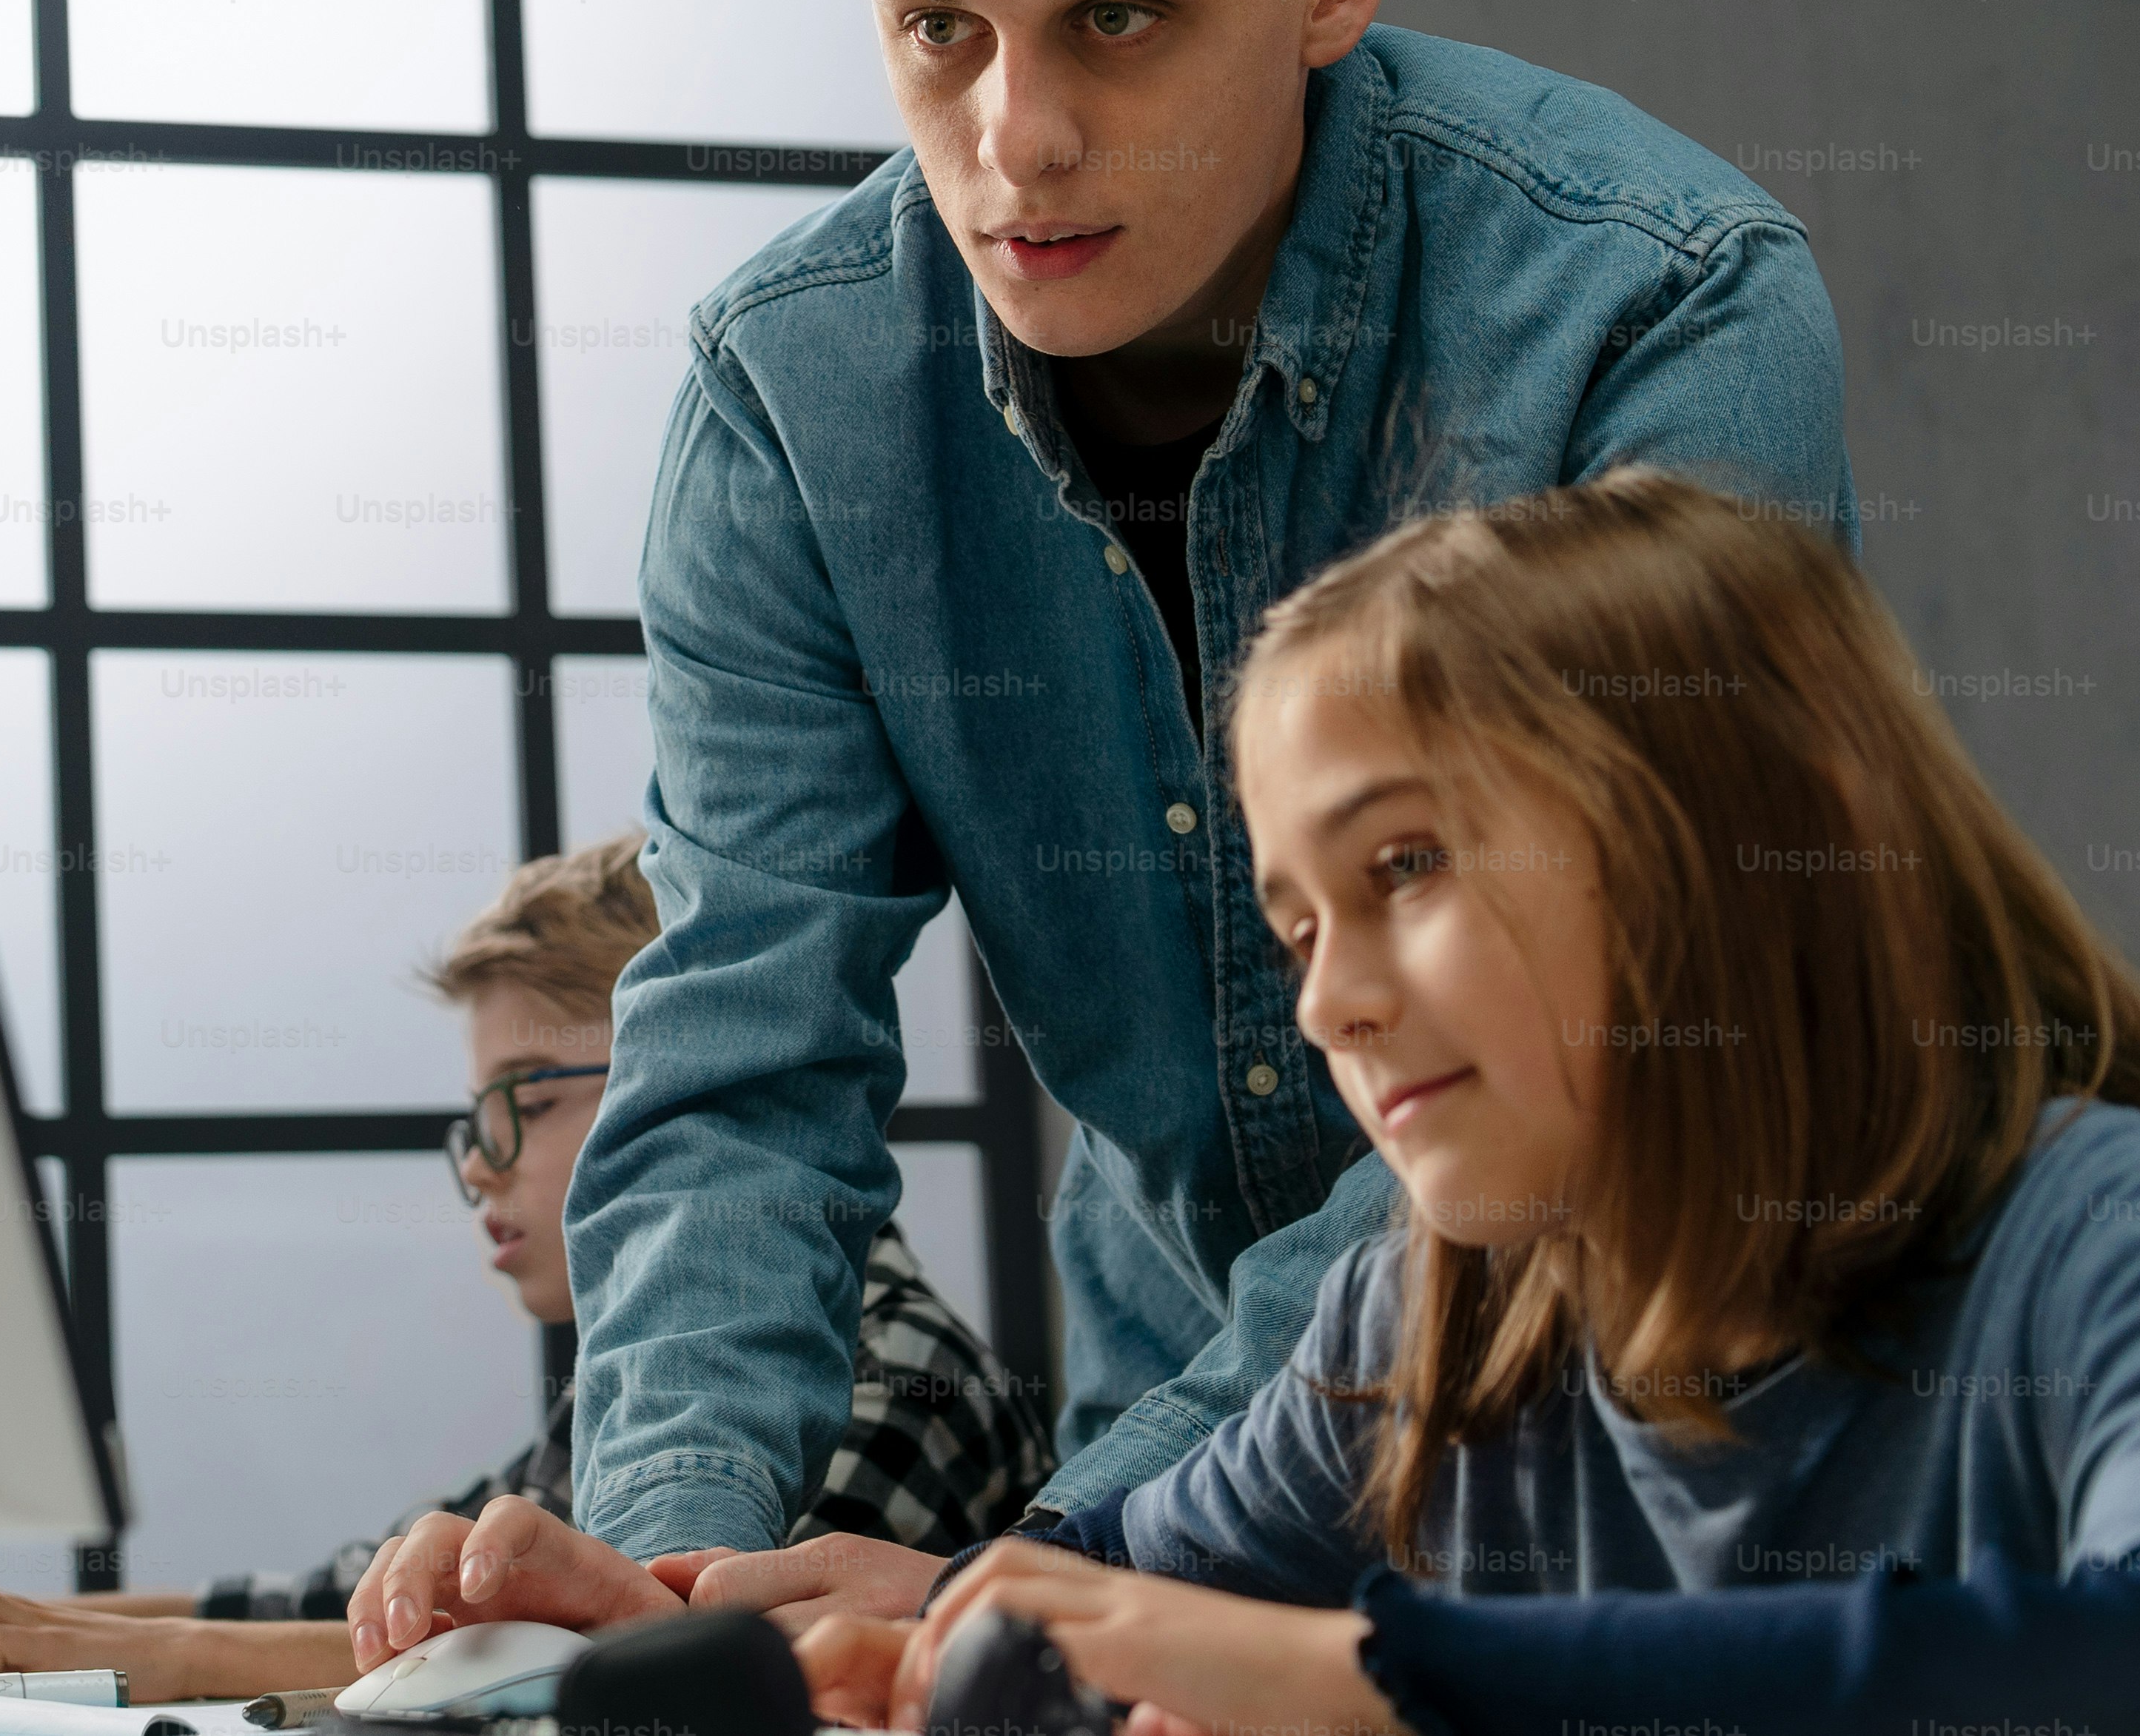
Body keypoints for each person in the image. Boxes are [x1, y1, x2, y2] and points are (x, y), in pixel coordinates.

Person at [509, 0, 1856, 1634]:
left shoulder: (1657, 311)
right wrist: (672, 1573)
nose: (1012, 136)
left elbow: (1619, 1047)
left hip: (1673, 1485)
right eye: (932, 29)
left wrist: (1071, 1551)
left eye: (1114, 18)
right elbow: (743, 1055)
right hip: (1152, 1487)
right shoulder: (792, 401)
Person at [385, 474, 2140, 1734]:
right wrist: (898, 1652)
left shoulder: (2092, 1242)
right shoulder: (1430, 1313)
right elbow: (1134, 1594)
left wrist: (1358, 1679)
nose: (1328, 1001)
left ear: (1727, 848)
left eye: (1408, 866)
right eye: (1296, 923)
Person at [0, 835, 1047, 1700]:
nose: (478, 1167)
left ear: (678, 1083)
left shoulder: (892, 1380)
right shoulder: (633, 1394)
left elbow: (629, 1679)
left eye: (517, 1100)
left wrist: (129, 1656)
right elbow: (344, 1599)